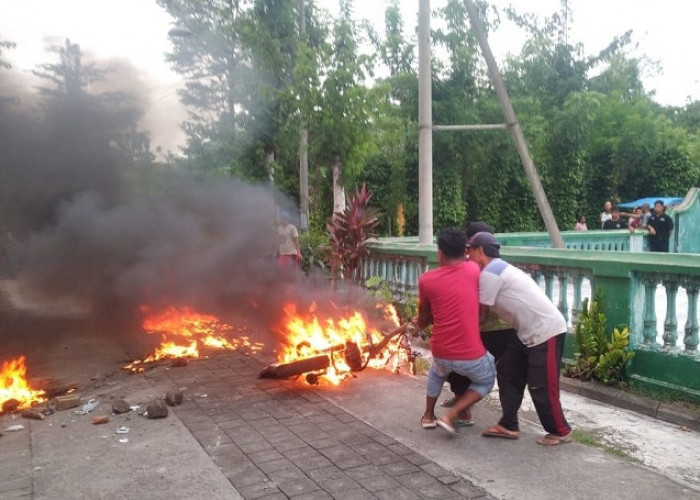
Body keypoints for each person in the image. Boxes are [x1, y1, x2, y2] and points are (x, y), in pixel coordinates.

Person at [466, 231, 572, 446]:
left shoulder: (490, 273)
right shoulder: (498, 268)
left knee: (542, 384)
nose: (467, 256)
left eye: (469, 251)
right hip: (524, 332)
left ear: (479, 251)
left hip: (545, 330)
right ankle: (508, 424)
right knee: (507, 370)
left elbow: (481, 314)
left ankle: (560, 431)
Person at [416, 229, 495, 434]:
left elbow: (423, 318)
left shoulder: (426, 280)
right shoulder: (473, 270)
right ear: (465, 251)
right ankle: (453, 414)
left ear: (440, 253)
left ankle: (428, 415)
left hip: (441, 352)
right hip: (471, 356)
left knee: (437, 372)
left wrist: (418, 323)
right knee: (487, 379)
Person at [441, 222, 516, 417]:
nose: (468, 248)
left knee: (457, 365)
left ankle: (463, 408)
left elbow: (480, 311)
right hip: (506, 327)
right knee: (504, 375)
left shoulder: (479, 268)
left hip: (490, 329)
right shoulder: (496, 264)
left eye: (471, 245)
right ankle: (506, 419)